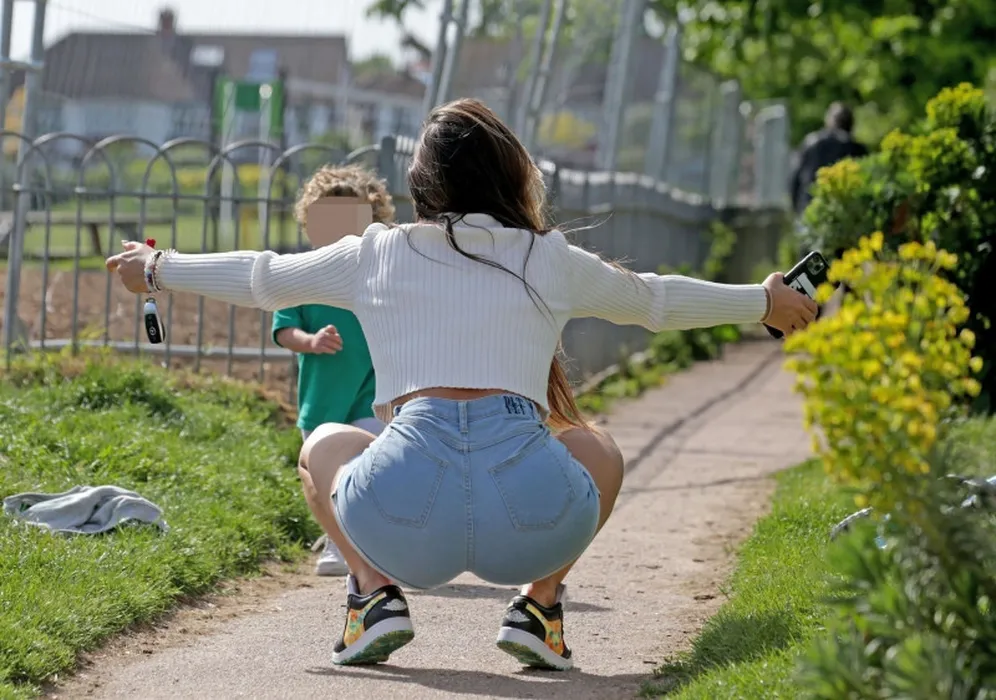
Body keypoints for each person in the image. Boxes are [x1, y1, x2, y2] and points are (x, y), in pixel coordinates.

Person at [107, 98, 817, 672]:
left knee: (322, 443)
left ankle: (373, 599)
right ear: (513, 176)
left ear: (421, 184)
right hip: (529, 529)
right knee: (598, 449)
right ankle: (540, 607)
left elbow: (262, 277)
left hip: (403, 528)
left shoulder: (378, 252)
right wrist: (765, 301)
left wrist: (160, 267)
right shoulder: (548, 256)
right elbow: (657, 301)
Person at [272, 164, 394, 577]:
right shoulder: (299, 273)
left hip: (371, 394)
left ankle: (367, 544)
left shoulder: (377, 273)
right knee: (322, 475)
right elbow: (284, 329)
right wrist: (310, 341)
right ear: (311, 222)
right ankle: (337, 542)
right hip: (322, 398)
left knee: (368, 469)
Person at [790, 102, 869, 217]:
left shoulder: (810, 141)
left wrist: (795, 207)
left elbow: (795, 177)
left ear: (829, 120)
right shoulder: (856, 148)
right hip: (843, 213)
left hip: (809, 208)